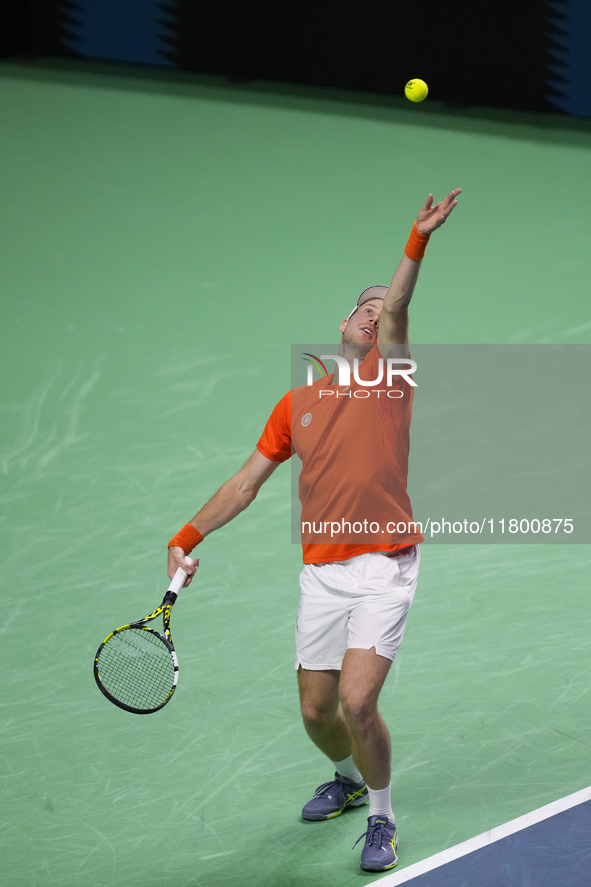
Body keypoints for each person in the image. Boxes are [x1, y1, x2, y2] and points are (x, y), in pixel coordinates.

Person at [167, 188, 461, 872]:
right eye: (363, 307)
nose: (374, 314)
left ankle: (383, 818)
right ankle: (349, 780)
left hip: (384, 564)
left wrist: (415, 240)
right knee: (316, 709)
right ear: (341, 323)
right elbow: (244, 484)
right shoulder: (295, 403)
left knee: (359, 701)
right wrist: (187, 534)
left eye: (380, 309)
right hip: (323, 569)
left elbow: (397, 306)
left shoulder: (390, 381)